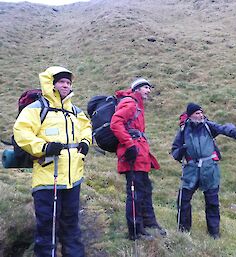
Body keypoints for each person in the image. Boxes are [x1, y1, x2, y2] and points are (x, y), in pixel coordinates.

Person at [13, 66, 92, 257]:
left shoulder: (75, 111)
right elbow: (21, 132)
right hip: (48, 178)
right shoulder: (37, 109)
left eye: (68, 83)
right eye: (61, 82)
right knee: (47, 227)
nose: (65, 85)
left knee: (71, 224)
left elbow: (86, 127)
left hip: (73, 179)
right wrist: (43, 147)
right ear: (52, 84)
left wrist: (85, 142)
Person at [171, 103, 236, 239]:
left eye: (201, 112)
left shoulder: (208, 126)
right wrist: (181, 151)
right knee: (183, 200)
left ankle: (214, 233)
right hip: (191, 171)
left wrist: (233, 130)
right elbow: (174, 151)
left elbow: (223, 128)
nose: (200, 115)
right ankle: (183, 232)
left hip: (209, 170)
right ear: (190, 115)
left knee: (212, 202)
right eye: (197, 113)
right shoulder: (183, 130)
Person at [110, 78, 166, 240]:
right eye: (145, 88)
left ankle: (149, 222)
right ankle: (135, 231)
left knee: (145, 189)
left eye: (149, 88)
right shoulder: (131, 104)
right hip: (133, 155)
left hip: (140, 155)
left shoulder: (137, 106)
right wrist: (129, 145)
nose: (148, 91)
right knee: (135, 193)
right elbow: (116, 123)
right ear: (137, 89)